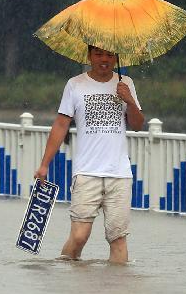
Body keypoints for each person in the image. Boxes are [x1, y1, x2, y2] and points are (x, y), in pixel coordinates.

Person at [34, 45, 145, 264]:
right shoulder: (75, 84)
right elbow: (60, 125)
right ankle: (70, 280)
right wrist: (44, 165)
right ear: (89, 56)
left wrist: (129, 100)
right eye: (99, 54)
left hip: (119, 174)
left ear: (116, 58)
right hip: (86, 172)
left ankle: (115, 293)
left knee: (118, 239)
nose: (104, 59)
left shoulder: (126, 83)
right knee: (79, 236)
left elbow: (138, 126)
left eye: (110, 55)